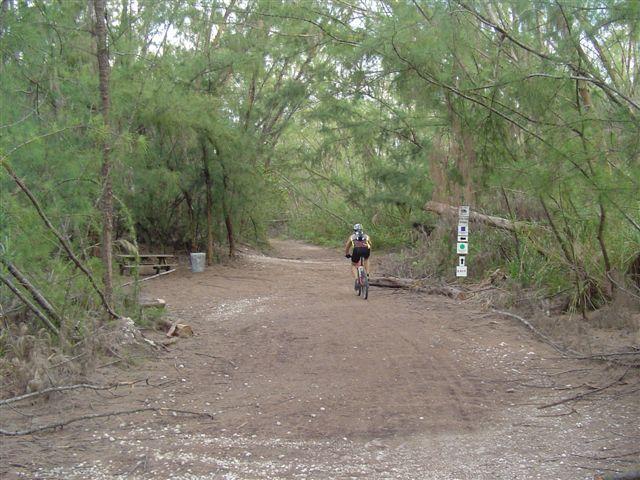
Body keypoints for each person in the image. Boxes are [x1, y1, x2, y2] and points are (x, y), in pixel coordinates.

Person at [344, 223, 371, 290]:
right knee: (366, 259)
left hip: (356, 250)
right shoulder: (367, 236)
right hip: (366, 250)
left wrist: (347, 253)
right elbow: (370, 244)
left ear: (354, 230)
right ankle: (367, 275)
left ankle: (357, 279)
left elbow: (347, 246)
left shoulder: (352, 237)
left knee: (353, 264)